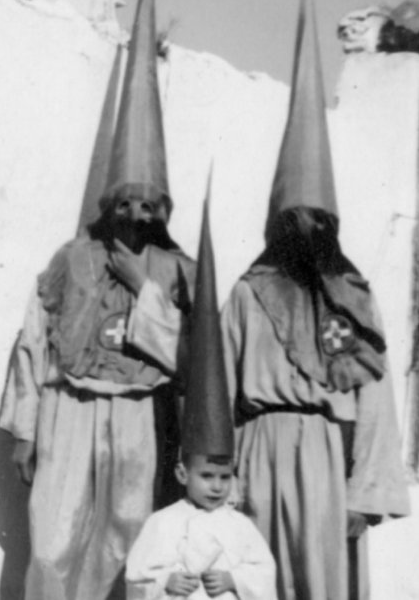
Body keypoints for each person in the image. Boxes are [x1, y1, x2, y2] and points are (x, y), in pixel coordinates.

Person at [0, 0, 196, 600]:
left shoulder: (176, 269)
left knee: (126, 540)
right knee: (52, 544)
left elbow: (189, 359)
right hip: (70, 408)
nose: (136, 215)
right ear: (109, 202)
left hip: (139, 416)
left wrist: (145, 288)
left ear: (163, 209)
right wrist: (25, 432)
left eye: (149, 204)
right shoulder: (70, 259)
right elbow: (35, 345)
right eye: (126, 201)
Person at [221, 0, 410, 600]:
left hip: (329, 462)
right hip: (256, 454)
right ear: (278, 221)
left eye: (317, 218)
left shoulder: (352, 298)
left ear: (331, 223)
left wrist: (365, 491)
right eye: (293, 217)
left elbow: (377, 402)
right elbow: (217, 387)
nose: (305, 229)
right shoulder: (248, 293)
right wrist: (220, 478)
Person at [126, 186, 277, 600]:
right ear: (182, 475)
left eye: (223, 477)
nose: (215, 486)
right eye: (207, 476)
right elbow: (137, 578)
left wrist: (234, 581)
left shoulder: (241, 527)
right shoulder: (162, 523)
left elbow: (264, 575)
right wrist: (163, 583)